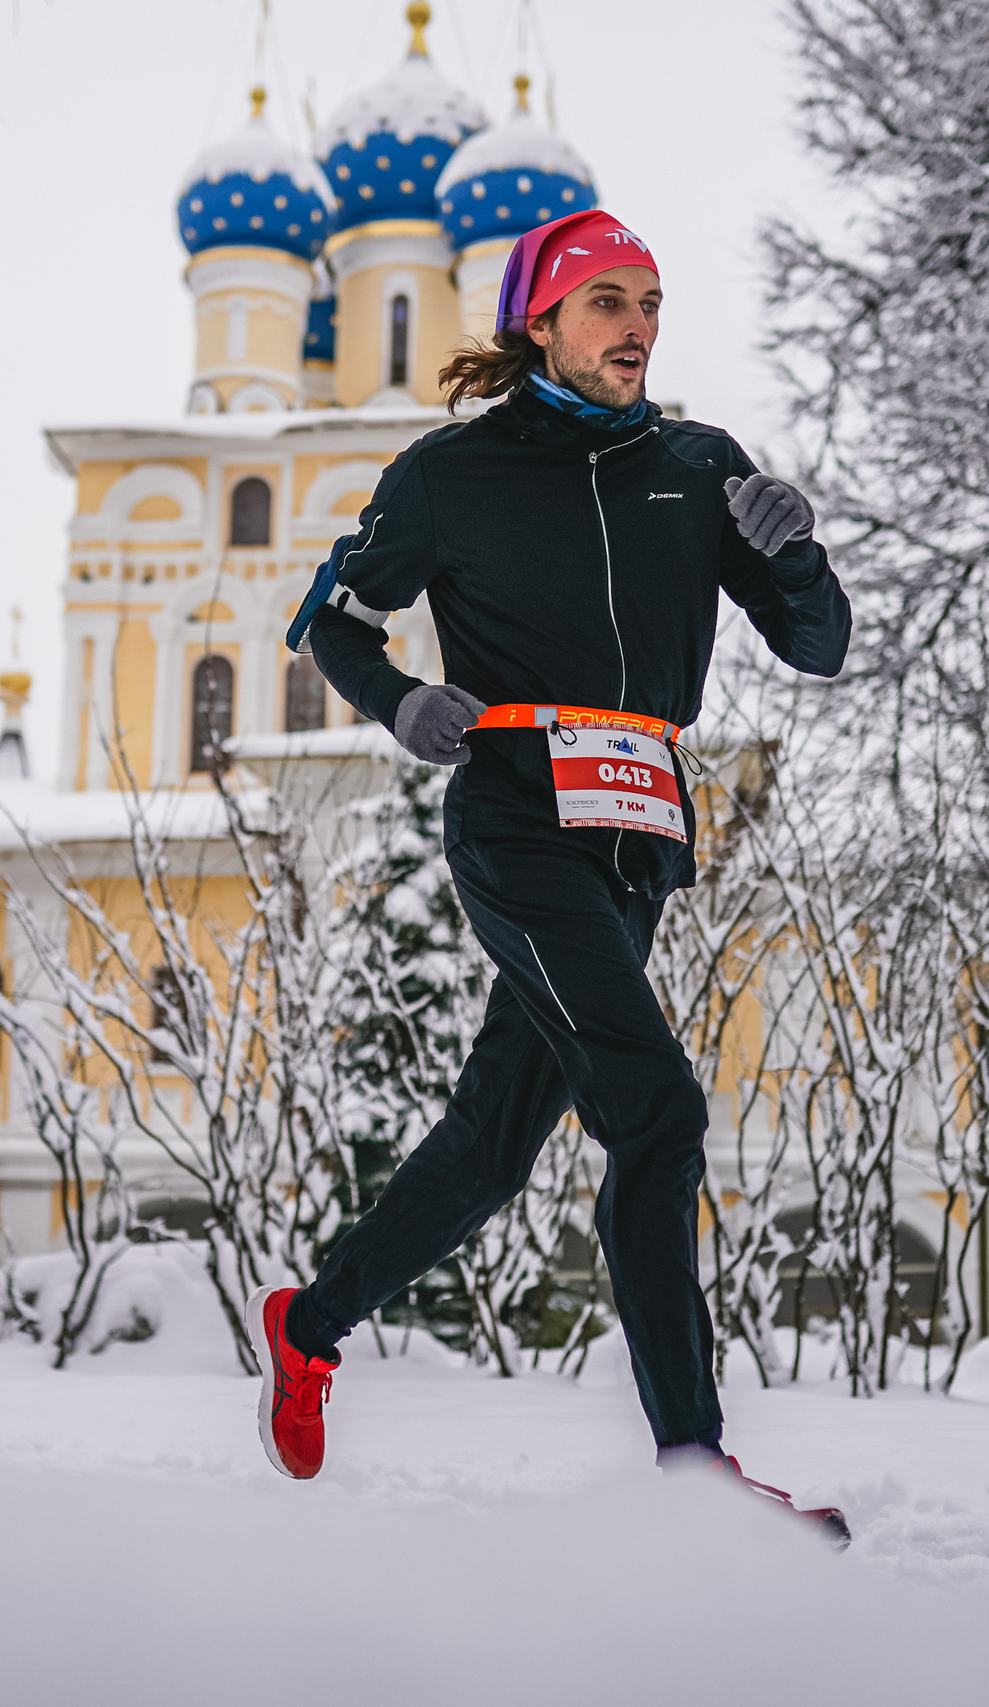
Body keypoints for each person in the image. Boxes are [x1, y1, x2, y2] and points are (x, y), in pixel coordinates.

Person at [260, 210, 852, 1530]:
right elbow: (334, 617)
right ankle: (694, 1467)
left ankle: (305, 1322)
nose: (638, 324)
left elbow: (816, 646)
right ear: (542, 320)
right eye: (607, 301)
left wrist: (797, 548)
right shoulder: (449, 473)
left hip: (639, 831)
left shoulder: (701, 467)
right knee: (657, 1112)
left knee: (491, 1145)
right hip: (519, 819)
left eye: (651, 299)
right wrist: (399, 700)